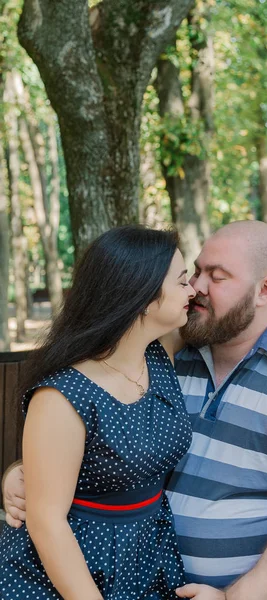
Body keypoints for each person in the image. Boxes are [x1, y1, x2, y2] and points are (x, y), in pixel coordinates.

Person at [3, 221, 267, 600]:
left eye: (218, 276)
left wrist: (234, 597)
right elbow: (91, 432)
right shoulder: (165, 354)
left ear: (265, 290)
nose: (197, 286)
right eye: (194, 272)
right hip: (139, 577)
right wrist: (22, 475)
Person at [0, 225, 196, 599]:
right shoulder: (63, 396)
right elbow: (47, 522)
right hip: (75, 565)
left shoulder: (159, 352)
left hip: (146, 551)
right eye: (183, 281)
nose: (193, 290)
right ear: (142, 297)